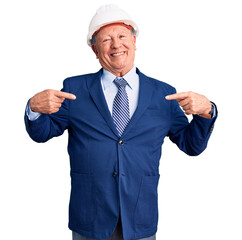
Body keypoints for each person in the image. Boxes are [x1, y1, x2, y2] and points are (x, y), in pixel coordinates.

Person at [24, 4, 217, 240]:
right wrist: (34, 108)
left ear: (134, 42)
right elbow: (42, 133)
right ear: (95, 50)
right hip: (90, 218)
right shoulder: (75, 90)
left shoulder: (163, 94)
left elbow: (192, 145)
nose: (116, 45)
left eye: (122, 36)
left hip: (140, 218)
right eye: (106, 40)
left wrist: (207, 111)